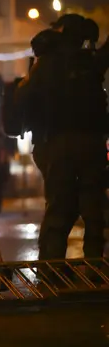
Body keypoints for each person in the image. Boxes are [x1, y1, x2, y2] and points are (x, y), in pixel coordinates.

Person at [16, 14, 107, 263]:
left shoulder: (45, 64)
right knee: (93, 210)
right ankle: (95, 270)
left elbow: (22, 99)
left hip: (55, 145)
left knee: (59, 209)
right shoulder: (90, 63)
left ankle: (51, 271)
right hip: (90, 144)